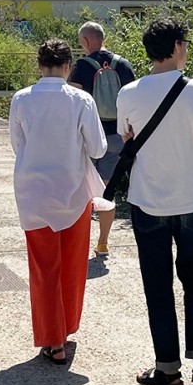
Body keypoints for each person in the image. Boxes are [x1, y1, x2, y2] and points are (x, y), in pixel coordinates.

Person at [116, 18, 193, 385]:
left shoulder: (129, 93)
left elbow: (127, 138)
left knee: (157, 285)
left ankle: (167, 369)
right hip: (192, 199)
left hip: (147, 202)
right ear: (178, 45)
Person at [10, 39, 109, 365]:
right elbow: (97, 149)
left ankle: (52, 339)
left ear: (40, 65)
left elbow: (16, 144)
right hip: (74, 193)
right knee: (72, 266)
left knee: (43, 268)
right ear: (68, 66)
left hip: (34, 194)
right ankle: (64, 331)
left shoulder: (21, 99)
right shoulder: (81, 100)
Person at [68, 21, 136, 256]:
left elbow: (73, 103)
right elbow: (133, 102)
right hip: (117, 136)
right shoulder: (123, 65)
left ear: (86, 41)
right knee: (106, 190)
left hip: (88, 138)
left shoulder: (81, 67)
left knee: (82, 191)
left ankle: (79, 243)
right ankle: (103, 242)